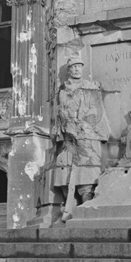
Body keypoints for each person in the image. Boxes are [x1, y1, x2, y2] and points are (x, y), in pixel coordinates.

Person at [53, 55, 110, 220]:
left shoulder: (90, 87)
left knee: (87, 169)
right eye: (74, 67)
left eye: (80, 66)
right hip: (67, 135)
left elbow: (96, 110)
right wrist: (65, 121)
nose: (77, 69)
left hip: (86, 133)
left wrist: (81, 121)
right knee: (63, 166)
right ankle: (69, 204)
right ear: (69, 69)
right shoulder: (63, 90)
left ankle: (86, 204)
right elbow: (60, 111)